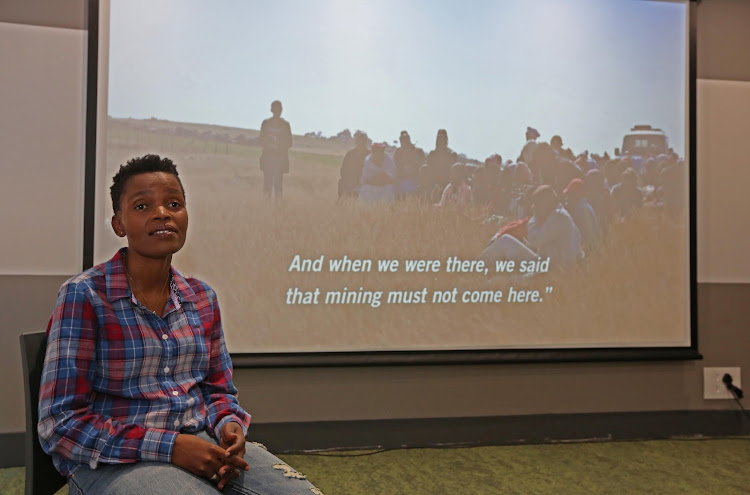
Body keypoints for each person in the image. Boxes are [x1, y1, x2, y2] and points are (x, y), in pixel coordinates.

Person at [38, 155, 321, 495]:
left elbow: (218, 390)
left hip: (200, 442)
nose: (162, 213)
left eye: (174, 203)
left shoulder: (202, 297)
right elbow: (61, 424)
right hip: (115, 459)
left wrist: (228, 423)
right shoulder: (84, 296)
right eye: (143, 206)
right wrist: (170, 447)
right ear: (119, 224)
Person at [480, 185, 581, 270]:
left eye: (536, 204)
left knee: (505, 242)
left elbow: (535, 240)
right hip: (550, 265)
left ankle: (476, 265)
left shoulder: (558, 217)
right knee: (508, 241)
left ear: (544, 203)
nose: (534, 207)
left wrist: (534, 217)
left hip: (549, 269)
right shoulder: (561, 215)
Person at [259, 100, 292, 200]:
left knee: (278, 186)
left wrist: (278, 146)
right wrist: (268, 142)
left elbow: (290, 142)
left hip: (279, 159)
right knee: (267, 185)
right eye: (276, 109)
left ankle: (277, 209)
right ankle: (266, 207)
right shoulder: (266, 123)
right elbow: (261, 141)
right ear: (271, 110)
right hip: (268, 158)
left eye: (279, 109)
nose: (278, 111)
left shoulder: (285, 125)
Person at [392, 130, 425, 198]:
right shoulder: (398, 152)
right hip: (401, 180)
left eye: (406, 139)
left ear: (409, 140)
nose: (404, 142)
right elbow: (394, 168)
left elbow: (423, 168)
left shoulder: (418, 151)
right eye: (402, 140)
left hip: (416, 180)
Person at [338, 130, 369, 199]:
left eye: (362, 140)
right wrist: (346, 181)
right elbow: (343, 169)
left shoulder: (369, 154)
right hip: (350, 182)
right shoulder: (350, 154)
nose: (361, 142)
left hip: (365, 183)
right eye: (359, 139)